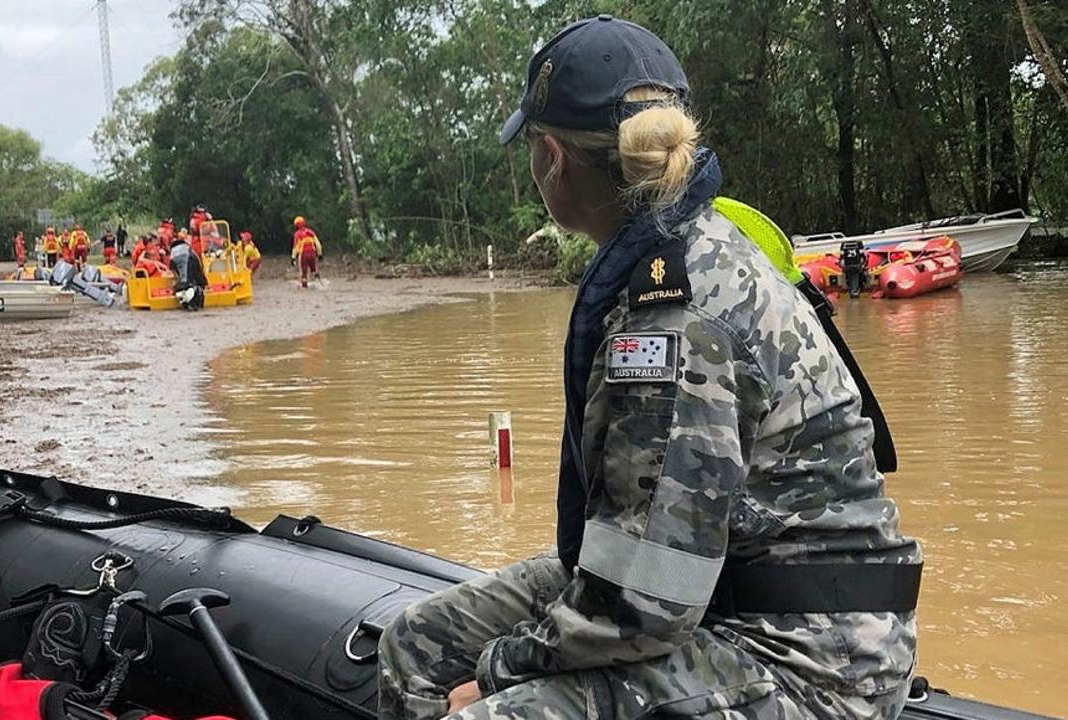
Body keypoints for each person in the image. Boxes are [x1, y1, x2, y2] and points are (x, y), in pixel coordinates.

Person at [376, 16, 921, 720]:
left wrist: (498, 673)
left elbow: (646, 603)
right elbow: (646, 562)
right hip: (718, 588)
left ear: (551, 158)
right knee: (414, 645)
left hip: (813, 654)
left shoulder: (673, 314)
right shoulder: (670, 253)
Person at [291, 216, 322, 288]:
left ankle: (305, 288)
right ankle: (320, 284)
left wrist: (293, 258)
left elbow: (295, 247)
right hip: (313, 254)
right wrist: (320, 254)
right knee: (314, 270)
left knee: (303, 274)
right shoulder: (311, 232)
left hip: (303, 255)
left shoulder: (297, 234)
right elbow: (318, 244)